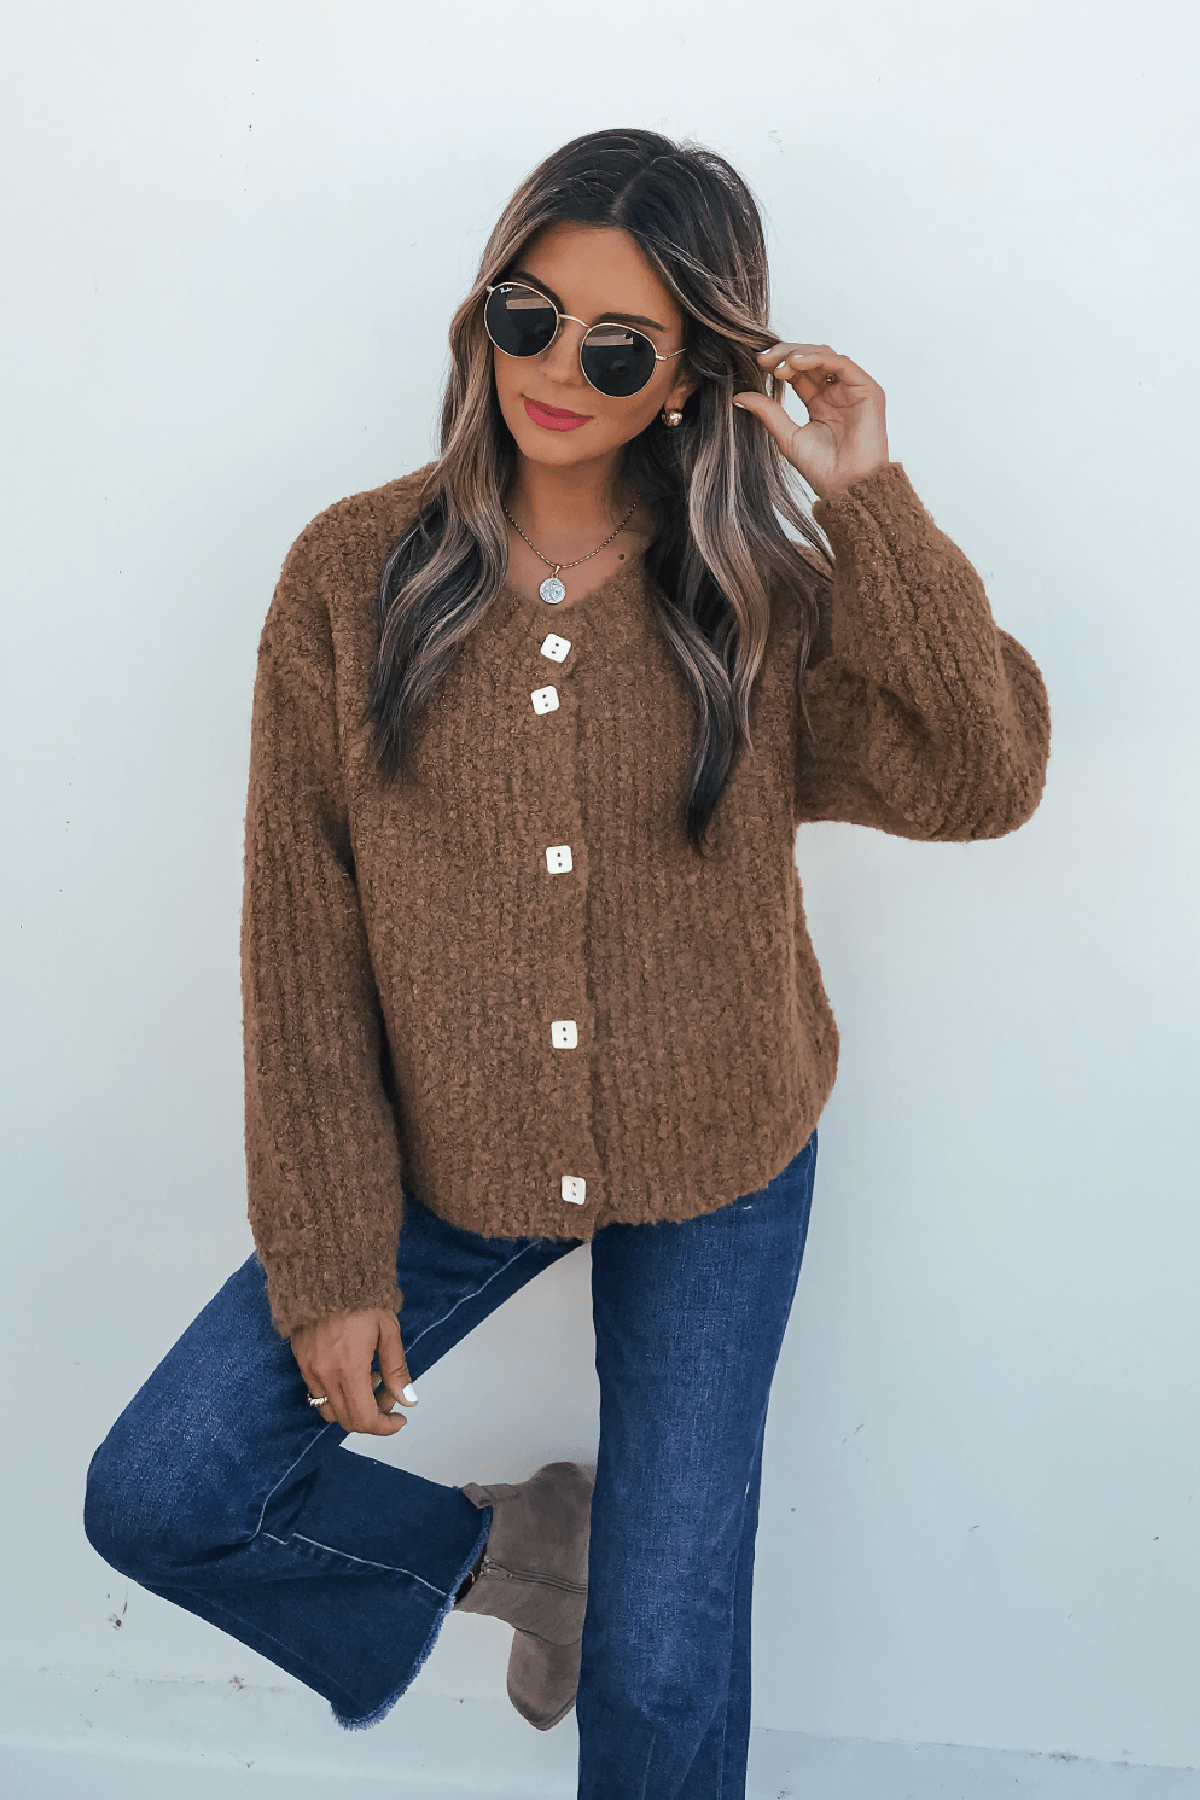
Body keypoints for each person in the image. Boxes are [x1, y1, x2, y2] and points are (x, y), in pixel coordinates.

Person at [83, 128, 1051, 1798]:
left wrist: (868, 501)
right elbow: (299, 930)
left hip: (722, 1157)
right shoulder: (350, 576)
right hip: (448, 1159)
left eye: (622, 346)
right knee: (167, 1490)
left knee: (664, 1668)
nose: (560, 369)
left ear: (689, 379)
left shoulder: (753, 591)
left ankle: (618, 1602)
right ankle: (523, 1558)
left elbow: (987, 776)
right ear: (484, 312)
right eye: (532, 316)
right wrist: (328, 1253)